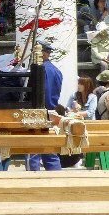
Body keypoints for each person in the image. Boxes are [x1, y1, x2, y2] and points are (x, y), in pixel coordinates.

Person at [28, 39, 62, 172]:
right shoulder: (56, 70)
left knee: (34, 151)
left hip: (40, 111)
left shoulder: (41, 70)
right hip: (51, 110)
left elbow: (44, 93)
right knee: (50, 150)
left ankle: (34, 179)